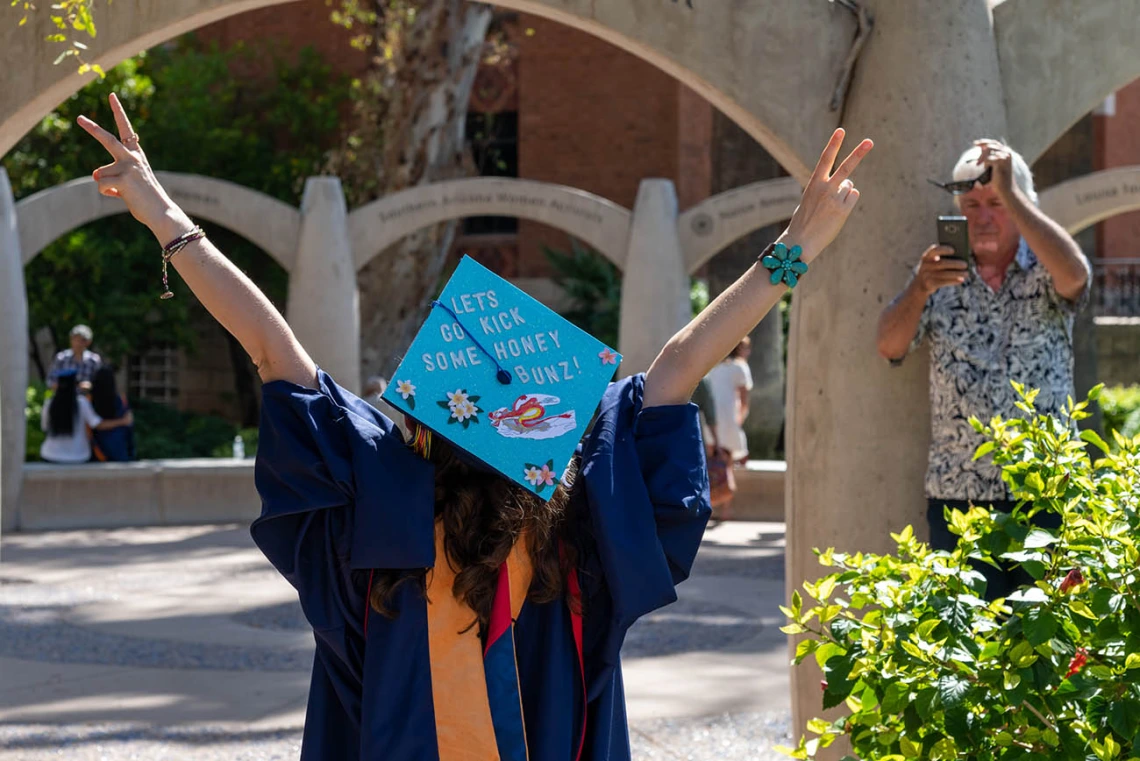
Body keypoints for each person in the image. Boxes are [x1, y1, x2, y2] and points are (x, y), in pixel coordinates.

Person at [79, 93, 871, 760]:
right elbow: (679, 363)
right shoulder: (579, 519)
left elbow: (267, 342)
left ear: (424, 418)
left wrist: (162, 209)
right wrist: (791, 251)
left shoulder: (373, 499)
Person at [876, 138, 1090, 600]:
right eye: (971, 205)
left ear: (1021, 204)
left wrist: (1013, 190)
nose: (983, 216)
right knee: (967, 650)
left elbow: (1077, 277)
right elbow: (889, 344)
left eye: (996, 202)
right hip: (960, 497)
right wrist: (917, 289)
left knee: (1048, 649)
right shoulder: (937, 277)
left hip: (1046, 493)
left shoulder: (1047, 269)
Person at [40, 369, 134, 464]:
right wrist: (123, 421)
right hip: (79, 456)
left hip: (51, 454)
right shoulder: (81, 403)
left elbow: (44, 427)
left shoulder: (49, 403)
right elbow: (97, 424)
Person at [705, 337, 753, 464]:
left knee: (712, 457)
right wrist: (740, 419)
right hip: (729, 415)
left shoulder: (714, 368)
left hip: (711, 416)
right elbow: (744, 400)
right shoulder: (740, 367)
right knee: (735, 458)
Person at [89, 365, 136, 462]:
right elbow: (129, 423)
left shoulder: (89, 401)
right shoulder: (121, 401)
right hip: (119, 451)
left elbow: (95, 425)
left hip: (97, 452)